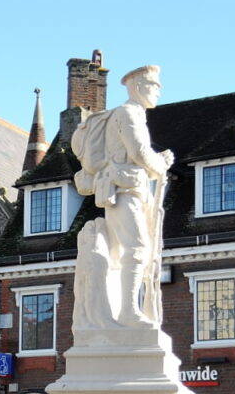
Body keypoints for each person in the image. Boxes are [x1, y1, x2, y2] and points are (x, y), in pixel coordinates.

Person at [71, 64, 174, 328]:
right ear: (138, 87)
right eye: (154, 86)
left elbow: (137, 157)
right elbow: (139, 152)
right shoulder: (128, 113)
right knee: (137, 248)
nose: (158, 92)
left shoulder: (134, 115)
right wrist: (160, 164)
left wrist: (157, 162)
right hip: (123, 191)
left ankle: (126, 309)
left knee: (133, 252)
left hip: (133, 190)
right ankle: (128, 311)